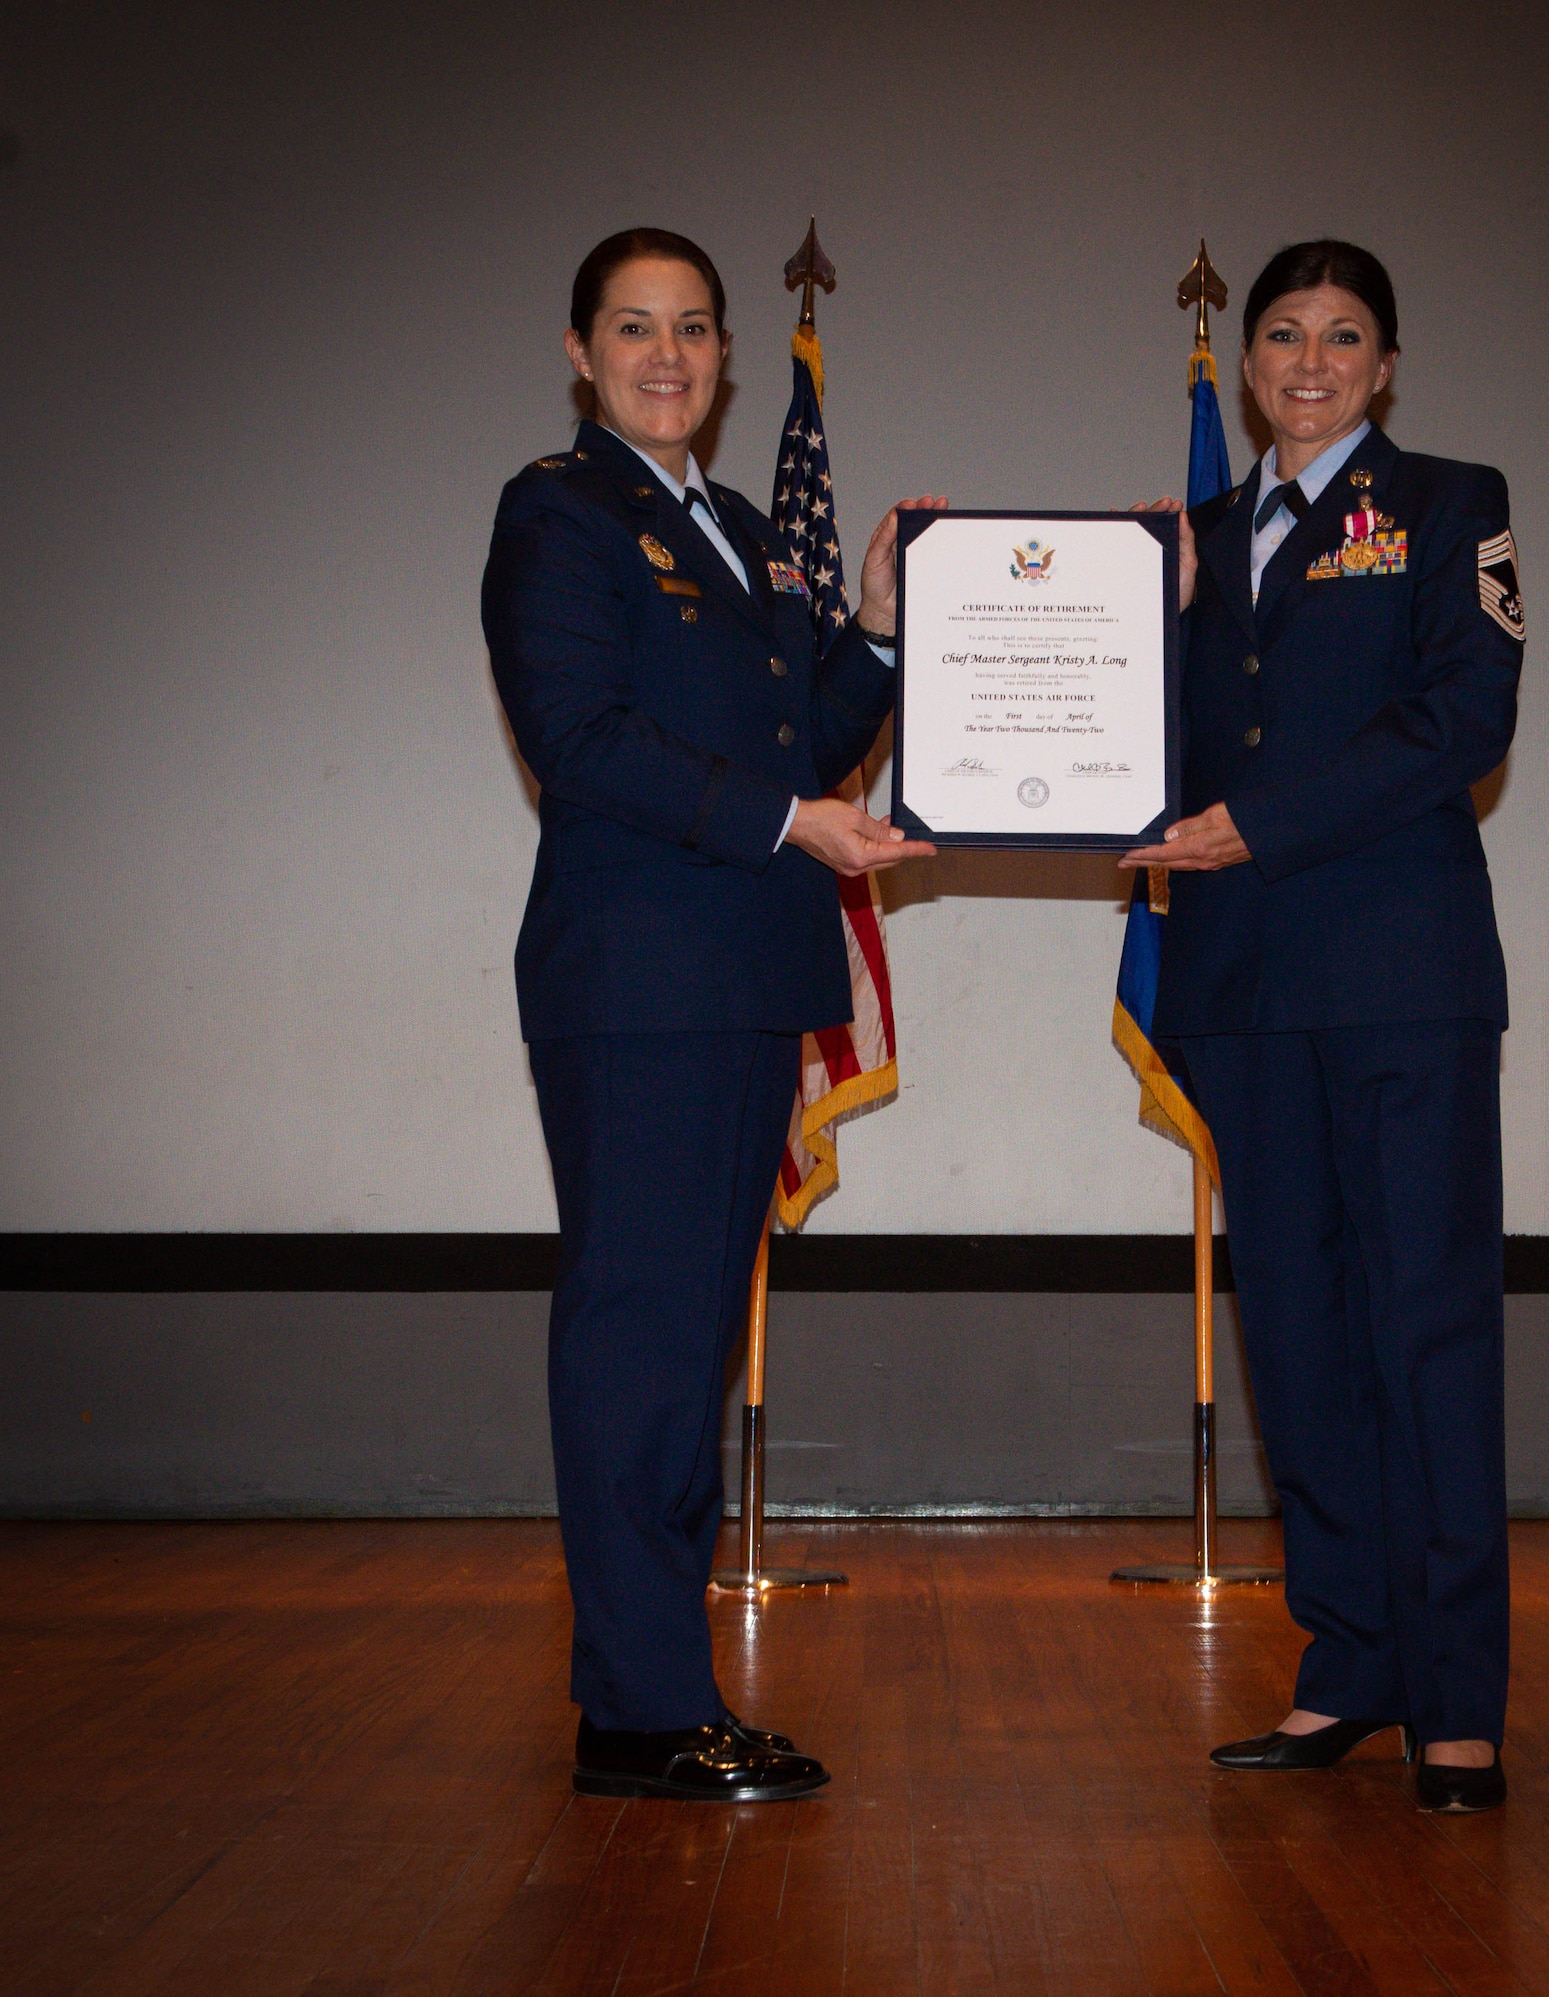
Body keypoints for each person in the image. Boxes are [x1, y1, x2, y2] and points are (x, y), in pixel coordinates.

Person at [482, 228, 939, 1802]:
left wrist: (875, 625)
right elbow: (581, 734)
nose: (665, 355)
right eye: (632, 327)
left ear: (729, 356)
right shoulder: (559, 512)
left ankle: (664, 1686)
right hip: (640, 985)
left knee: (685, 1347)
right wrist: (790, 824)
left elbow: (808, 728)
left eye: (692, 329)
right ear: (578, 348)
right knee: (643, 1345)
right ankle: (637, 1707)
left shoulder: (740, 527)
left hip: (745, 983)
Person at [1125, 238, 1524, 1812]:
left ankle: (1456, 1695)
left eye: (1341, 336)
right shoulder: (1193, 538)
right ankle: (1350, 1660)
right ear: (1248, 361)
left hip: (1402, 979)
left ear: (1387, 363)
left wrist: (1256, 827)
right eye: (1282, 334)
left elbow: (1463, 721)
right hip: (1239, 994)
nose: (1306, 361)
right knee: (1294, 1335)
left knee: (1426, 1331)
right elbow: (1127, 724)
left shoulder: (1450, 505)